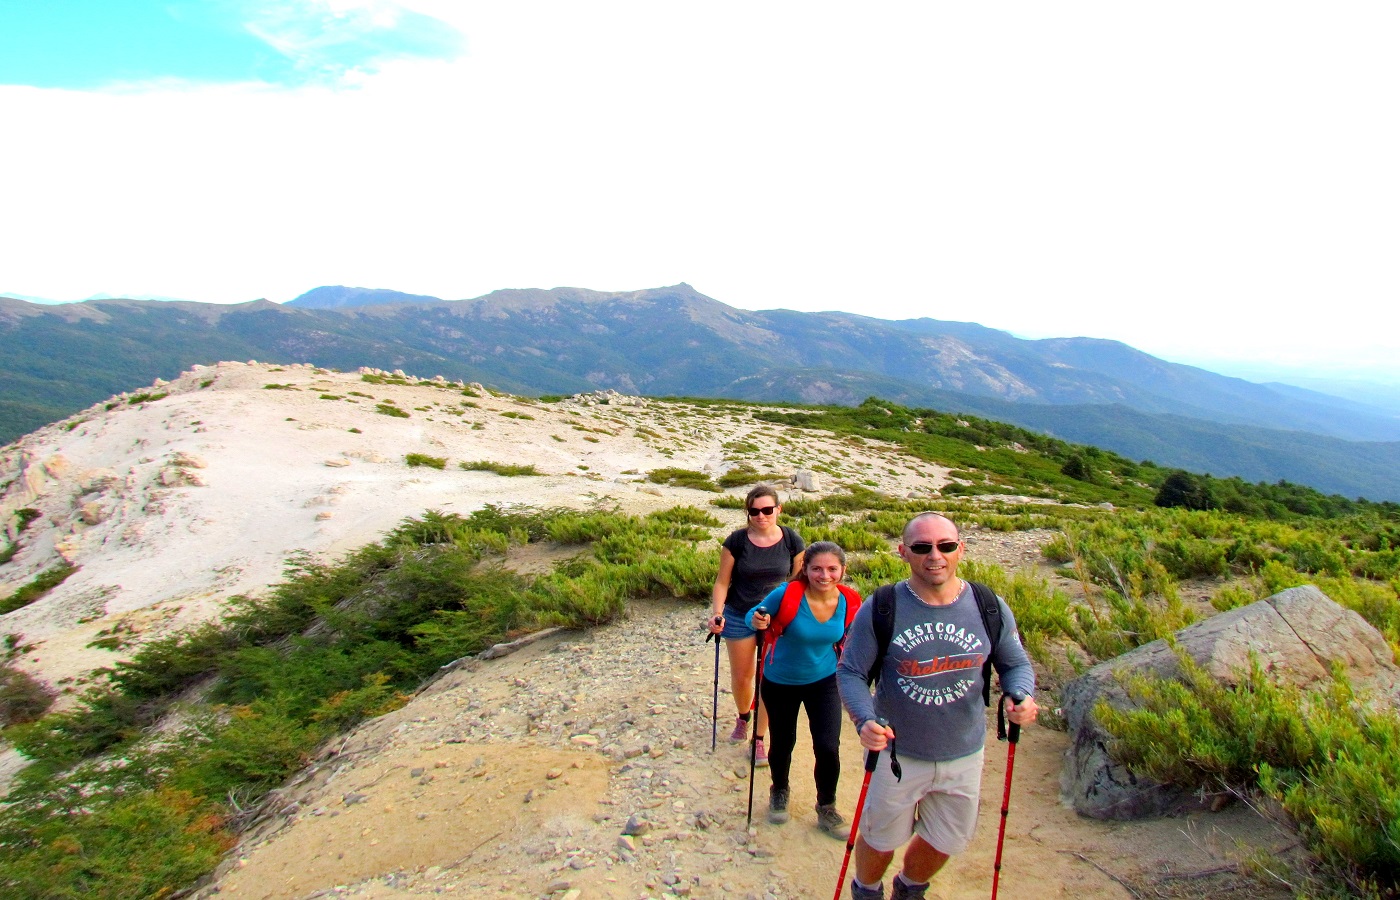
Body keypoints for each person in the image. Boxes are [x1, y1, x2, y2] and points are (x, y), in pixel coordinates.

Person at [836, 513, 1039, 900]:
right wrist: (864, 719)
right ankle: (867, 890)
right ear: (903, 552)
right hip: (896, 753)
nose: (935, 556)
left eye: (945, 546)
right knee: (880, 837)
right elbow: (851, 671)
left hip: (964, 753)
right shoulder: (883, 607)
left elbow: (1015, 664)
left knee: (946, 838)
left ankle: (909, 889)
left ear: (960, 549)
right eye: (922, 547)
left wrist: (1021, 695)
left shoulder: (988, 606)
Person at [745, 541, 860, 837]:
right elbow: (752, 616)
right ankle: (779, 790)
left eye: (832, 569)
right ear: (805, 570)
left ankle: (827, 806)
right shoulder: (787, 594)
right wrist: (758, 619)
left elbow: (855, 636)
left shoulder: (849, 600)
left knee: (828, 746)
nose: (825, 575)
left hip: (825, 679)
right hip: (781, 680)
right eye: (817, 569)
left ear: (843, 570)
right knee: (783, 742)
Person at [708, 483, 805, 766]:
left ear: (778, 510)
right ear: (748, 512)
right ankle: (743, 716)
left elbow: (797, 582)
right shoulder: (736, 541)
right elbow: (722, 582)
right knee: (743, 677)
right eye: (754, 511)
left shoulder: (792, 540)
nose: (761, 516)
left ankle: (759, 739)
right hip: (739, 614)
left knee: (768, 680)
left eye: (767, 510)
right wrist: (717, 613)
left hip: (775, 619)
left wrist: (788, 613)